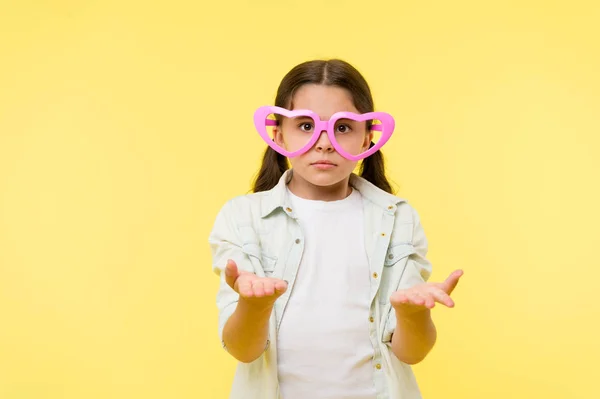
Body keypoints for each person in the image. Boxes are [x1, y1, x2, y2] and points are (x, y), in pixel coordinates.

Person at [208, 59, 464, 399]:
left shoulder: (397, 218)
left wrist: (412, 314)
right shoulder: (243, 217)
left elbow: (412, 353)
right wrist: (254, 306)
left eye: (343, 127)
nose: (325, 142)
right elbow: (243, 350)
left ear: (367, 137)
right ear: (278, 134)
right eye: (305, 125)